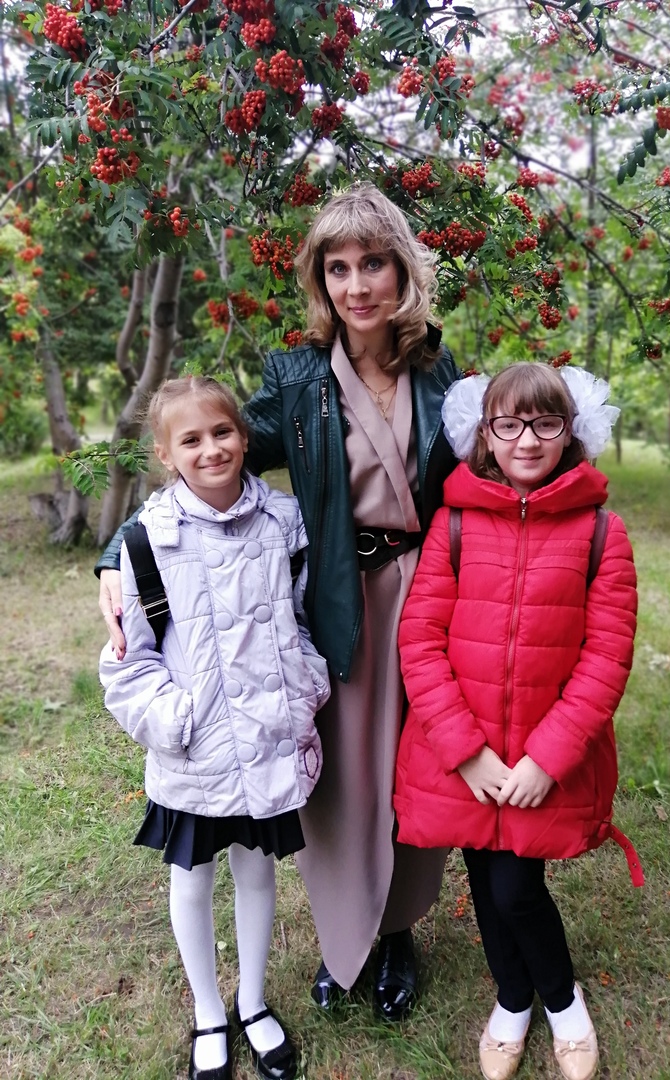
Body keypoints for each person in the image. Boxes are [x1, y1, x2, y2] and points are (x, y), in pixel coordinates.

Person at [96, 184, 460, 1021]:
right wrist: (119, 552)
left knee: (415, 767)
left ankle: (398, 931)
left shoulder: (440, 369)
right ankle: (346, 936)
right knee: (346, 780)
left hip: (430, 594)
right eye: (338, 268)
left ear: (403, 270)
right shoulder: (298, 379)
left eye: (373, 263)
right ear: (321, 280)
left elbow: (491, 461)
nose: (357, 285)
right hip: (337, 596)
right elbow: (211, 463)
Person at [394, 362, 641, 1080]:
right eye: (509, 425)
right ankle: (511, 998)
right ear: (484, 435)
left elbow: (607, 656)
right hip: (467, 756)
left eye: (544, 423)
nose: (527, 440)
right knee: (484, 875)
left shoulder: (601, 533)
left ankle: (561, 1001)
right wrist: (466, 752)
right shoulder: (454, 524)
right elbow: (421, 640)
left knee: (515, 888)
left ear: (570, 432)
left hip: (540, 758)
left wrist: (547, 759)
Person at [99, 376, 331, 1080]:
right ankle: (208, 1012)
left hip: (267, 738)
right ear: (166, 454)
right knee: (192, 881)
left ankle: (253, 1003)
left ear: (244, 436)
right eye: (191, 440)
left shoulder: (285, 522)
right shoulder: (147, 541)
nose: (211, 450)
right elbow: (127, 664)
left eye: (222, 432)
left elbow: (305, 618)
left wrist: (305, 689)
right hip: (195, 750)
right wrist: (179, 722)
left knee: (256, 873)